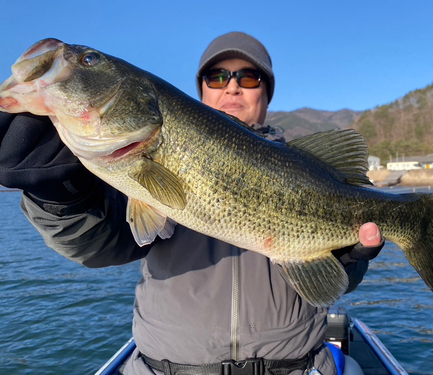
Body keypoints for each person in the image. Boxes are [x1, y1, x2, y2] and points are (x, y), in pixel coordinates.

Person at [0, 32, 384, 375]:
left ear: (266, 92)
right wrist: (60, 195)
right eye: (217, 77)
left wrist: (347, 261)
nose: (231, 88)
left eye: (247, 78)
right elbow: (99, 245)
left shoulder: (311, 168)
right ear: (200, 89)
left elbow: (335, 283)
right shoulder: (124, 161)